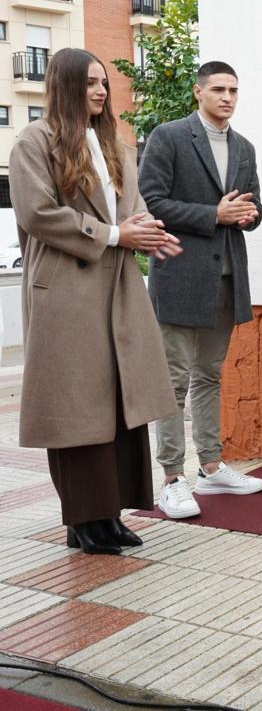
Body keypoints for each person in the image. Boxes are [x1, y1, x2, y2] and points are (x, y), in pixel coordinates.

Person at [9, 48, 181, 553]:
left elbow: (136, 209)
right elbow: (37, 212)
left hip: (118, 287)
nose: (101, 91)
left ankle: (108, 513)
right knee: (76, 407)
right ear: (63, 86)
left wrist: (152, 233)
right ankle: (83, 519)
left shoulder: (116, 146)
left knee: (117, 402)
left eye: (103, 82)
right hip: (66, 290)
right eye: (88, 83)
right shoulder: (33, 142)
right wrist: (111, 235)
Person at [139, 61, 262, 519]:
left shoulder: (245, 147)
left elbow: (253, 207)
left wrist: (249, 215)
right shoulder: (168, 136)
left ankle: (211, 467)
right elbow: (151, 202)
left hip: (227, 277)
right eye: (218, 89)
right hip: (179, 276)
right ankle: (173, 478)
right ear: (198, 92)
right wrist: (214, 214)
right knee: (173, 382)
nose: (228, 97)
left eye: (234, 89)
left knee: (211, 375)